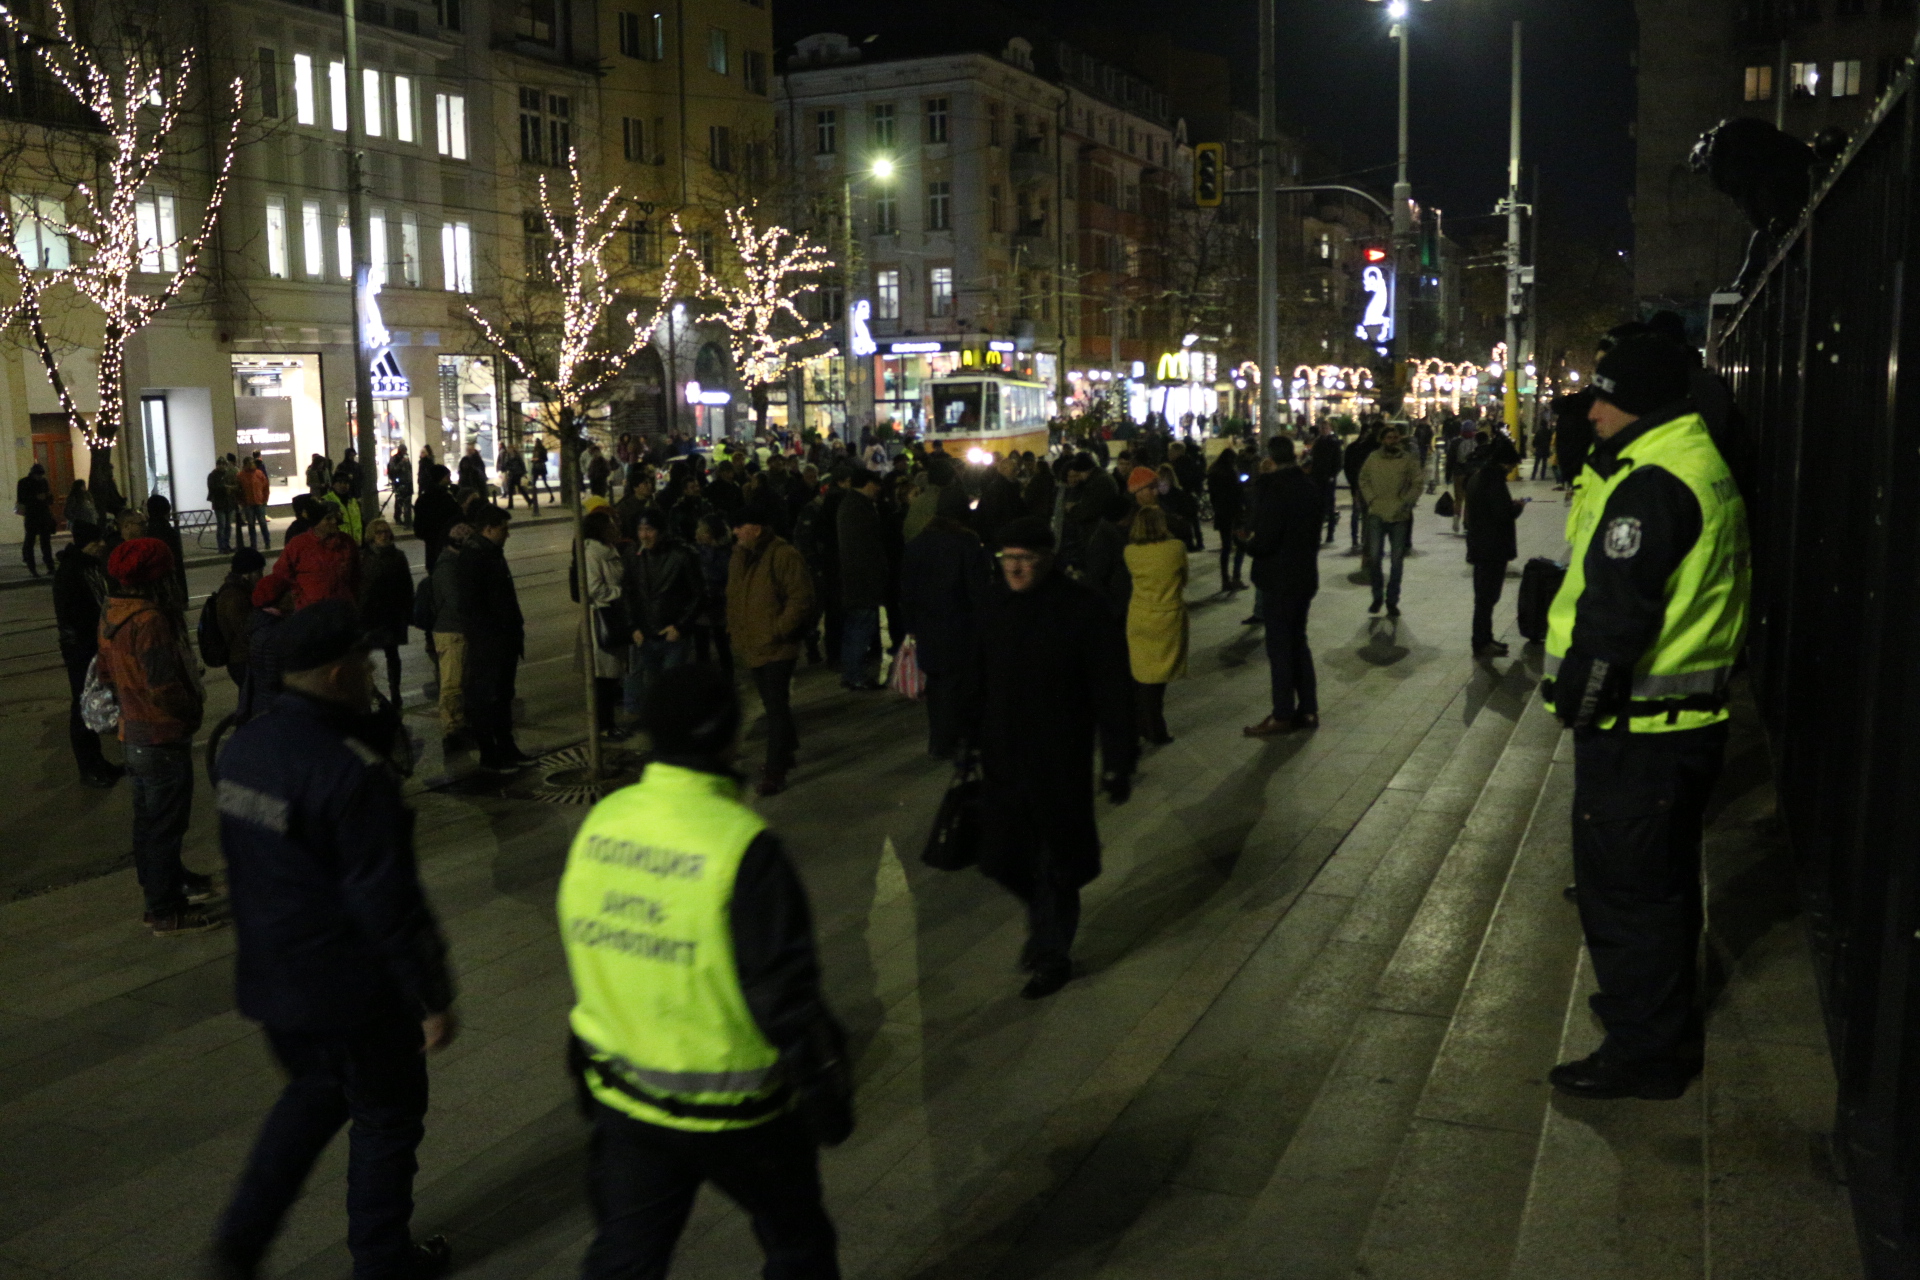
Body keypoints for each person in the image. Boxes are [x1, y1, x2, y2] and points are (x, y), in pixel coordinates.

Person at [558, 664, 850, 1279]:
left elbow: (590, 952)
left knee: (625, 1260)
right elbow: (784, 995)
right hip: (740, 1114)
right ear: (725, 736)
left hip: (629, 1103)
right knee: (798, 1244)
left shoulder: (603, 824)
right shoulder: (742, 846)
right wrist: (825, 1091)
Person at [208, 600, 456, 1280]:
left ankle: (236, 1247)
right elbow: (387, 900)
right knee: (387, 1116)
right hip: (353, 994)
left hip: (273, 984)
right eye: (368, 664)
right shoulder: (352, 771)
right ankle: (382, 1262)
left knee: (311, 1100)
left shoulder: (244, 748)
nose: (374, 676)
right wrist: (431, 996)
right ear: (343, 674)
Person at [1542, 334, 1750, 1102]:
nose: (1592, 411)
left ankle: (1645, 1052)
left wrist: (1580, 709)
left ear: (1646, 403)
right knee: (1656, 889)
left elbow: (1614, 622)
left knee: (1628, 898)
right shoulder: (1691, 459)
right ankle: (1651, 1028)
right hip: (1679, 729)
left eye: (1607, 397)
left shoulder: (1654, 482)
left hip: (1642, 733)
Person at [965, 518, 1135, 999]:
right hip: (1002, 756)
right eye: (1007, 559)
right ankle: (1044, 926)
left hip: (1059, 759)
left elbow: (1110, 689)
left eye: (1026, 559)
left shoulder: (1081, 609)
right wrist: (966, 732)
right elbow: (977, 671)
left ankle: (1051, 952)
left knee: (1056, 862)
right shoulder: (993, 604)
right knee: (1001, 858)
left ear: (1048, 559)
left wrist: (1118, 758)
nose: (1015, 568)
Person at [96, 538, 222, 935]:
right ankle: (165, 909)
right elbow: (163, 685)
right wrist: (190, 713)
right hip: (159, 734)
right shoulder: (148, 620)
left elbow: (104, 672)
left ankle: (162, 889)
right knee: (165, 825)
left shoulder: (111, 611)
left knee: (149, 822)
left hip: (131, 731)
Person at [726, 502, 816, 796]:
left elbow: (800, 598)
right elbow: (735, 596)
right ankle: (787, 750)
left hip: (778, 647)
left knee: (775, 708)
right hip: (752, 644)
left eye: (740, 525)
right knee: (773, 705)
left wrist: (779, 629)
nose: (735, 531)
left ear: (757, 527)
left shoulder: (783, 554)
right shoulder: (740, 556)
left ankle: (775, 770)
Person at [899, 483, 994, 758]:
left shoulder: (918, 543)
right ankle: (957, 738)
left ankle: (939, 740)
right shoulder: (966, 544)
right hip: (960, 626)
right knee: (961, 685)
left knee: (937, 683)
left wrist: (911, 626)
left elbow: (906, 590)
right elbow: (978, 590)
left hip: (928, 627)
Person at [1241, 438, 1322, 737]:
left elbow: (1264, 540)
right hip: (1304, 576)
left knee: (1279, 648)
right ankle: (1309, 709)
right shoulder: (1308, 487)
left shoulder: (1274, 490)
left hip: (1278, 578)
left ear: (1270, 461)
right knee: (1298, 640)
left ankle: (1282, 714)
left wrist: (1246, 543)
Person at [457, 506, 530, 771]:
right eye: (504, 528)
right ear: (488, 528)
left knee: (502, 696)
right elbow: (473, 607)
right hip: (490, 644)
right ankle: (490, 754)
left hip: (504, 639)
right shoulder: (475, 557)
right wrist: (490, 639)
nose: (508, 534)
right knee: (487, 698)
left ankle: (506, 747)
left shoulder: (492, 553)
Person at [52, 521, 121, 788]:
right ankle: (89, 768)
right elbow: (74, 614)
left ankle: (98, 762)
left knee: (92, 699)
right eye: (98, 541)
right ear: (87, 543)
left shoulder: (89, 566)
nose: (103, 545)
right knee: (82, 705)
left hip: (94, 643)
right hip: (80, 648)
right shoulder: (70, 572)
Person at [623, 506, 705, 719]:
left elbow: (698, 594)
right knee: (653, 686)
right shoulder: (634, 554)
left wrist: (681, 625)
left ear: (661, 530)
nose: (644, 535)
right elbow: (629, 593)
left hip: (672, 634)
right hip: (646, 634)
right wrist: (633, 626)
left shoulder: (681, 554)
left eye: (649, 529)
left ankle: (678, 725)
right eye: (640, 529)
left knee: (673, 685)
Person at [1122, 507, 1188, 746]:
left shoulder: (1130, 552)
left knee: (1141, 672)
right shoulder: (1176, 548)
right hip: (1168, 615)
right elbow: (1184, 579)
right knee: (1158, 678)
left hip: (1139, 615)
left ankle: (1142, 723)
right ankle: (1155, 728)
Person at [1465, 437, 1525, 657]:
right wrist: (1516, 508)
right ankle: (1481, 642)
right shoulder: (1493, 480)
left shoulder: (1478, 476)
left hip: (1480, 545)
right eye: (1511, 465)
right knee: (1486, 598)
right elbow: (1502, 514)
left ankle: (1485, 639)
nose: (1511, 469)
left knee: (1485, 597)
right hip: (1492, 548)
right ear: (1505, 463)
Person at [1357, 425, 1424, 618]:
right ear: (1382, 440)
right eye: (1388, 438)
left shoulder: (1407, 460)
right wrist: (1371, 499)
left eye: (1395, 437)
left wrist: (1407, 502)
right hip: (1377, 514)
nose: (1392, 441)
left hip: (1399, 516)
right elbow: (1363, 479)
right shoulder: (1373, 458)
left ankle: (1392, 600)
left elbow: (1417, 482)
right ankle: (1377, 596)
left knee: (1396, 561)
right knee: (1375, 557)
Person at [577, 508, 631, 740]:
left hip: (614, 616)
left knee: (611, 677)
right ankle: (604, 726)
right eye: (611, 524)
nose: (616, 528)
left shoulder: (609, 549)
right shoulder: (593, 552)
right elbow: (593, 588)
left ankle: (608, 724)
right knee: (604, 679)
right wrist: (622, 592)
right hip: (601, 619)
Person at [836, 469, 888, 691]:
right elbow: (870, 547)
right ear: (868, 484)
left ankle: (851, 672)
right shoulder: (859, 507)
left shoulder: (849, 504)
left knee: (855, 627)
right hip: (863, 580)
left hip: (854, 579)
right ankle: (855, 675)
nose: (879, 490)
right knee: (860, 627)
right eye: (876, 485)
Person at [357, 519, 413, 707]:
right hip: (370, 613)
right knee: (363, 655)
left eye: (386, 531)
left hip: (391, 612)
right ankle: (370, 691)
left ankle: (395, 691)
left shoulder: (398, 556)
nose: (384, 535)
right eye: (379, 532)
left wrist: (408, 610)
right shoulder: (363, 558)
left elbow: (406, 586)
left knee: (392, 653)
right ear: (371, 536)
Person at [265, 504, 360, 610]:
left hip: (342, 607)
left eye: (335, 517)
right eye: (328, 518)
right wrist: (299, 596)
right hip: (311, 609)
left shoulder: (346, 541)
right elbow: (281, 574)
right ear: (316, 523)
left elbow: (356, 573)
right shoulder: (298, 544)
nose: (334, 521)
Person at [427, 523, 471, 751]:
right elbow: (456, 602)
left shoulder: (454, 563)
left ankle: (459, 725)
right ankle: (451, 730)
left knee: (459, 683)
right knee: (452, 684)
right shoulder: (448, 566)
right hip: (451, 631)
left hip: (456, 630)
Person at [214, 548, 268, 689]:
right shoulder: (236, 597)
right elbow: (246, 632)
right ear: (247, 574)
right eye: (259, 572)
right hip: (243, 660)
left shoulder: (238, 590)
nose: (262, 576)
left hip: (243, 659)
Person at [690, 513, 733, 676]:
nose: (698, 534)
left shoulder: (726, 554)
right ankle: (704, 681)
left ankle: (727, 681)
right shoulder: (695, 552)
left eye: (703, 531)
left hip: (720, 606)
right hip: (702, 607)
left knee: (722, 646)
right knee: (702, 648)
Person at [1206, 447, 1248, 591]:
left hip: (1221, 513)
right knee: (1240, 545)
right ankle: (1236, 577)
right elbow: (1238, 493)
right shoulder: (1231, 473)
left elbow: (1213, 496)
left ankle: (1225, 579)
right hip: (1234, 513)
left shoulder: (1214, 473)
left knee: (1226, 546)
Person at [414, 465, 461, 571]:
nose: (450, 480)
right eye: (447, 477)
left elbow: (418, 529)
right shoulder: (447, 498)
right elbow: (458, 517)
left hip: (431, 549)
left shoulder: (423, 499)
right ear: (439, 478)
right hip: (448, 547)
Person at [17, 461, 56, 576]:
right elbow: (22, 499)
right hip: (32, 515)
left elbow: (49, 499)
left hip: (43, 515)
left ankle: (50, 566)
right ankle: (32, 567)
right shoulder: (24, 482)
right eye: (38, 475)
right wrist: (36, 498)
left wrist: (47, 497)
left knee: (46, 542)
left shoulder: (43, 481)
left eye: (41, 475)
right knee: (30, 541)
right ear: (33, 474)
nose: (40, 477)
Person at [1342, 427, 1377, 552]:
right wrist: (1354, 485)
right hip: (1358, 486)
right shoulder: (1355, 449)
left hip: (1365, 486)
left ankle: (1363, 540)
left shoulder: (1368, 449)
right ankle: (1356, 540)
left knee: (1364, 514)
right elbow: (1349, 468)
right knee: (1358, 513)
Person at [1309, 424, 1343, 544]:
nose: (1323, 430)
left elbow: (1338, 461)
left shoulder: (1333, 442)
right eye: (1322, 429)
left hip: (1327, 478)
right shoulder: (1317, 442)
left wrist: (1332, 475)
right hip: (1317, 478)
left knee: (1329, 506)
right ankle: (1318, 534)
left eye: (1325, 428)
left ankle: (1330, 533)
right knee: (1318, 508)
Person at [321, 471, 365, 545]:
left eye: (346, 483)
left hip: (356, 543)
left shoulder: (353, 501)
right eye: (340, 482)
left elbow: (360, 522)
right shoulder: (326, 500)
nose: (343, 485)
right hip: (337, 543)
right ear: (334, 484)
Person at [237, 457, 272, 549]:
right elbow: (238, 491)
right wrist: (242, 502)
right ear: (245, 464)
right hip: (248, 503)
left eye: (252, 463)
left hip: (259, 502)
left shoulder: (259, 473)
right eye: (249, 463)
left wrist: (265, 499)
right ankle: (254, 544)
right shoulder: (240, 475)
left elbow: (266, 487)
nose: (251, 465)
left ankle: (267, 542)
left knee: (262, 523)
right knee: (251, 525)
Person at [208, 457, 240, 553]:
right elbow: (212, 488)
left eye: (223, 464)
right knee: (222, 525)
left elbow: (235, 485)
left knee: (228, 526)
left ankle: (227, 545)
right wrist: (225, 487)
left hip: (229, 503)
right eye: (219, 464)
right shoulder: (212, 475)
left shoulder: (229, 474)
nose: (221, 466)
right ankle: (221, 547)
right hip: (219, 503)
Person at [498, 442, 531, 511]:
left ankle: (511, 505)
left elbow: (506, 464)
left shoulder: (509, 455)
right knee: (519, 487)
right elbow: (521, 463)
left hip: (513, 473)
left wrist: (503, 468)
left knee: (511, 488)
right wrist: (523, 471)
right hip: (517, 473)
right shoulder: (517, 454)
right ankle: (528, 500)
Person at [386, 447, 414, 528]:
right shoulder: (394, 458)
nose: (405, 452)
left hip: (407, 482)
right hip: (399, 483)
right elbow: (393, 469)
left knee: (407, 501)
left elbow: (409, 469)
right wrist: (402, 462)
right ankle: (397, 517)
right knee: (399, 501)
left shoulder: (406, 458)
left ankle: (407, 520)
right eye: (404, 451)